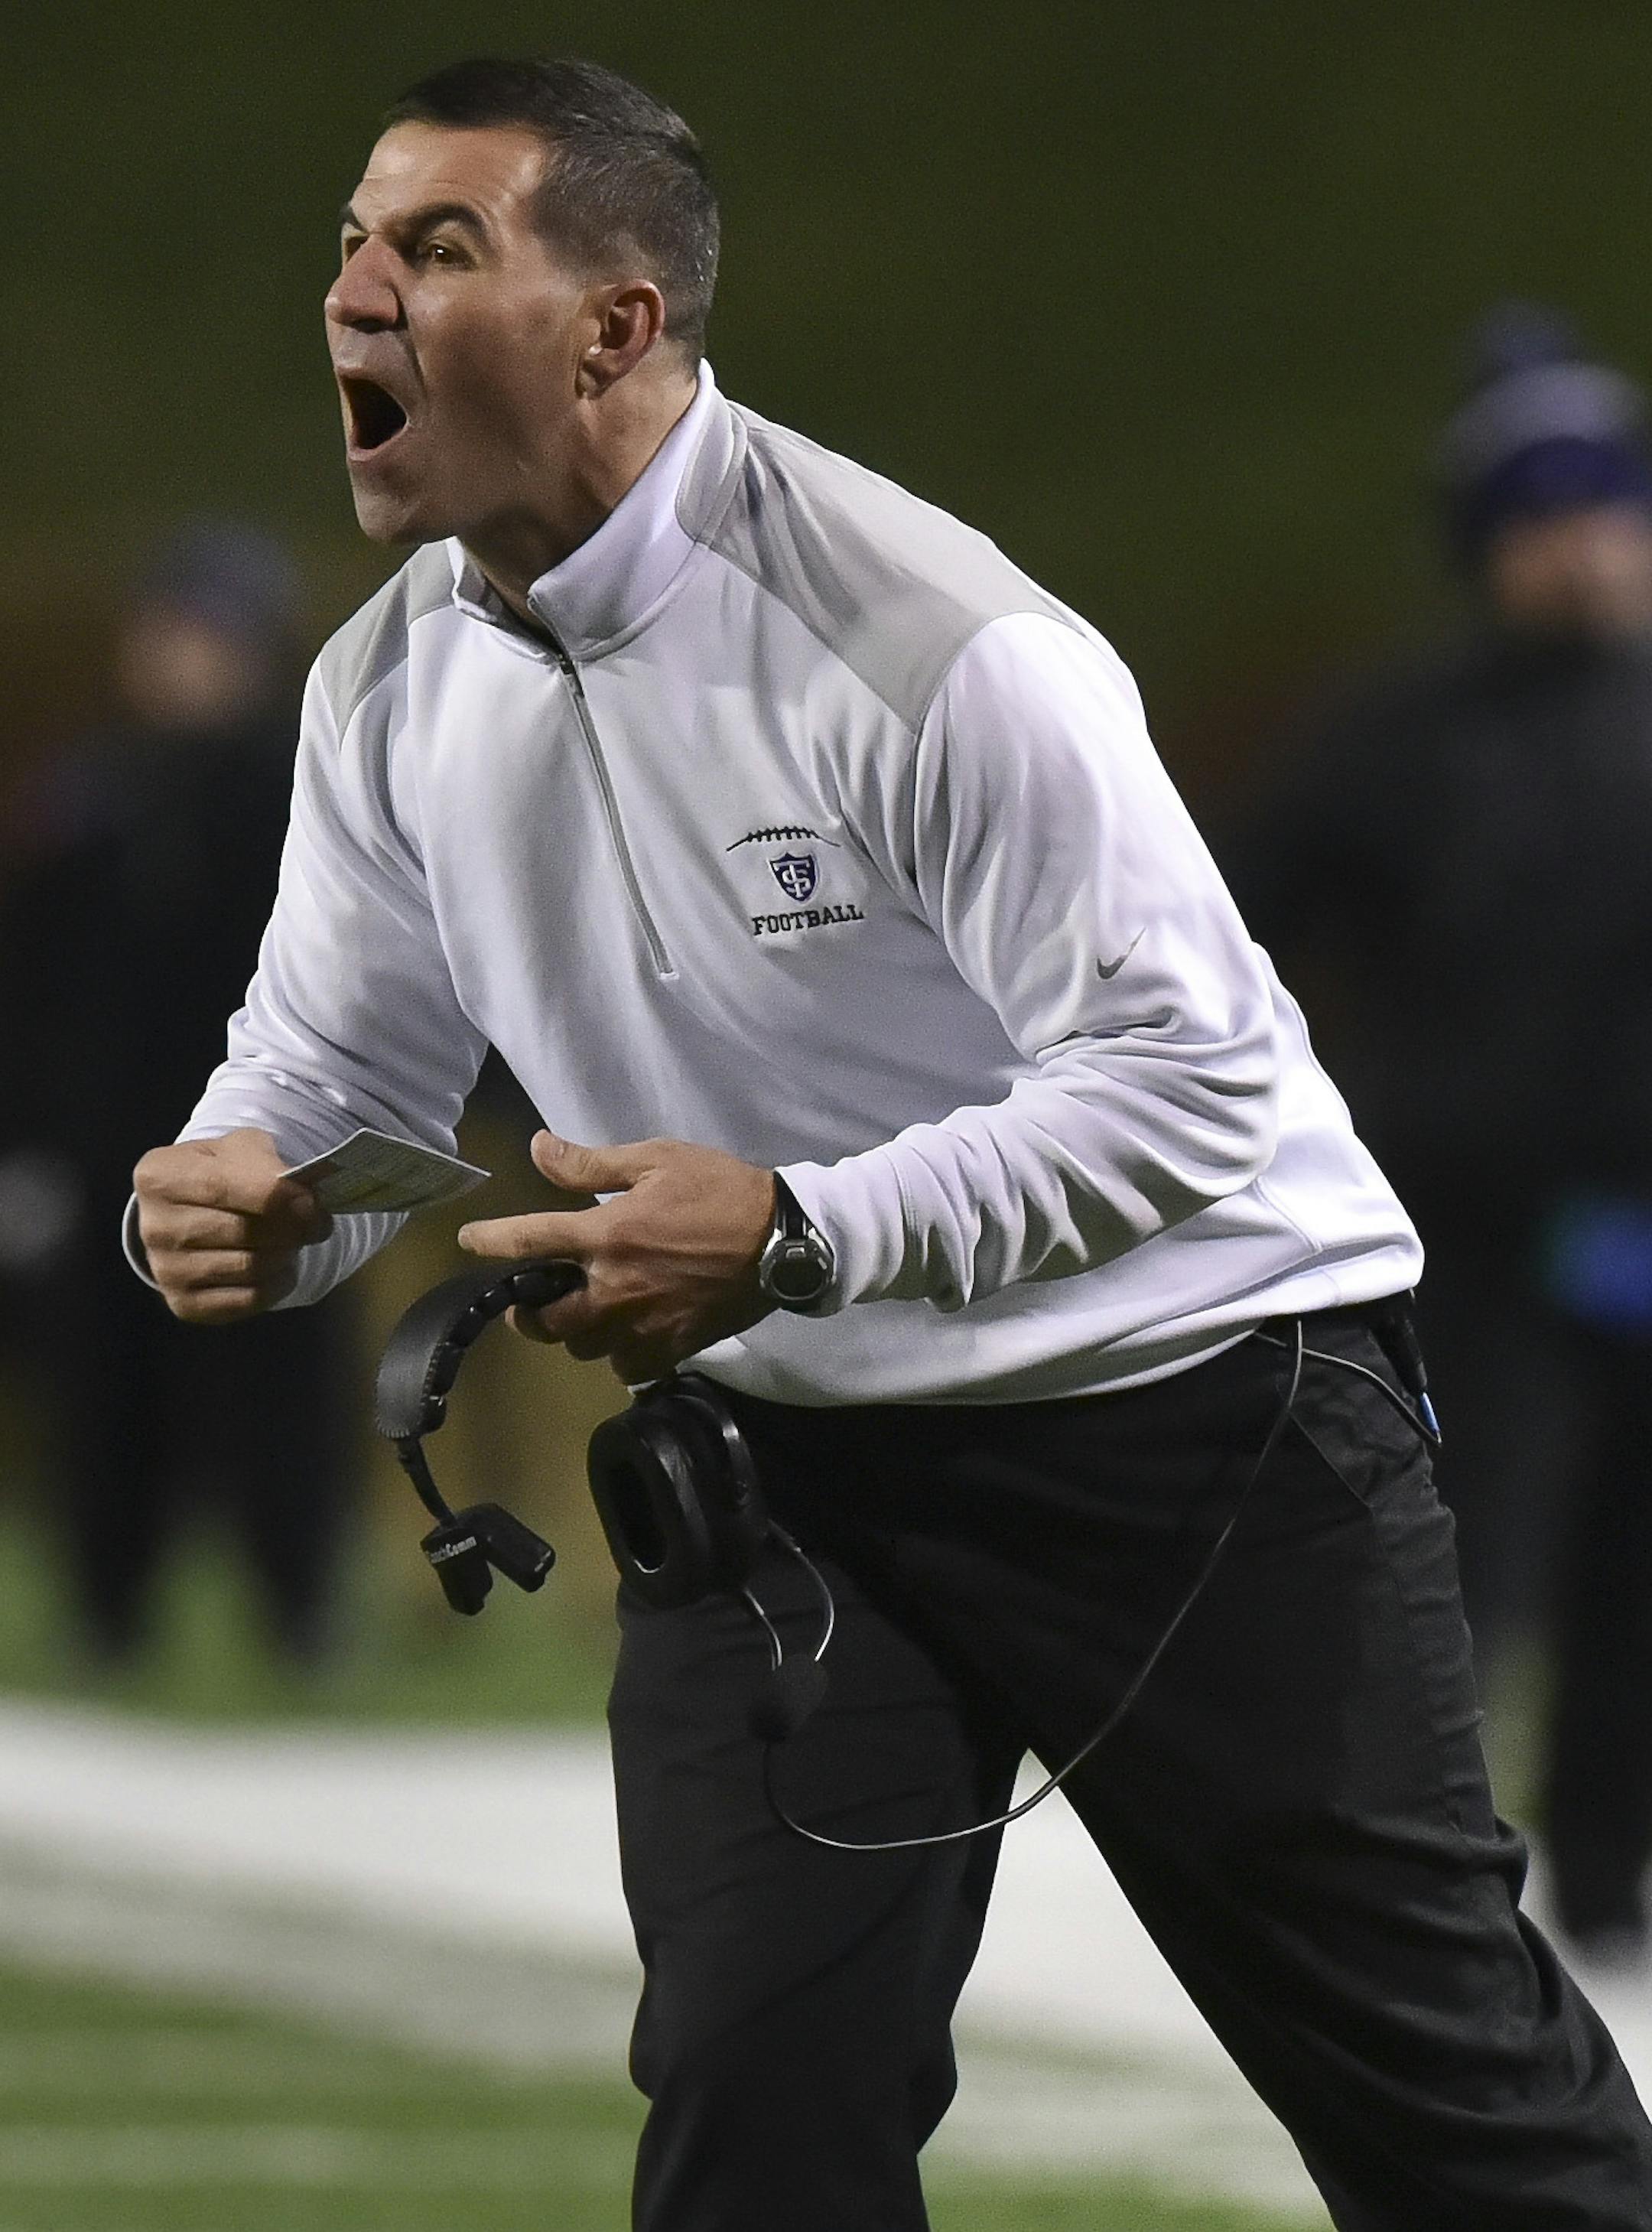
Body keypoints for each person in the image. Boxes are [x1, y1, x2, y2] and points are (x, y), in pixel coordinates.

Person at [126, 60, 1652, 2229]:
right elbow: (344, 1079)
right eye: (352, 249)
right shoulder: (384, 685)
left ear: (615, 326)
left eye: (435, 249)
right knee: (759, 2112)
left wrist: (803, 1227)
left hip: (1192, 1433)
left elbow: (1194, 1082)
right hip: (793, 1475)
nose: (356, 297)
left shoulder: (933, 642)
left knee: (1457, 2123)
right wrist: (249, 1187)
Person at [1231, 305, 1652, 1965]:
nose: (1585, 548)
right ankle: (1412, 1883)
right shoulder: (1397, 738)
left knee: (1638, 1570)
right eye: (1544, 517)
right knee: (1444, 1570)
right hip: (1466, 1232)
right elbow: (1224, 935)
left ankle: (1612, 1874)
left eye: (1607, 506)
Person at [0, 522, 354, 1665]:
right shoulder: (88, 794)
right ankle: (108, 1617)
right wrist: (26, 1146)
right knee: (108, 1391)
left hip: (270, 1148)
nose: (184, 659)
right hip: (109, 1149)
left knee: (281, 1386)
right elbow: (30, 979)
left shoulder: (309, 797)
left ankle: (301, 1613)